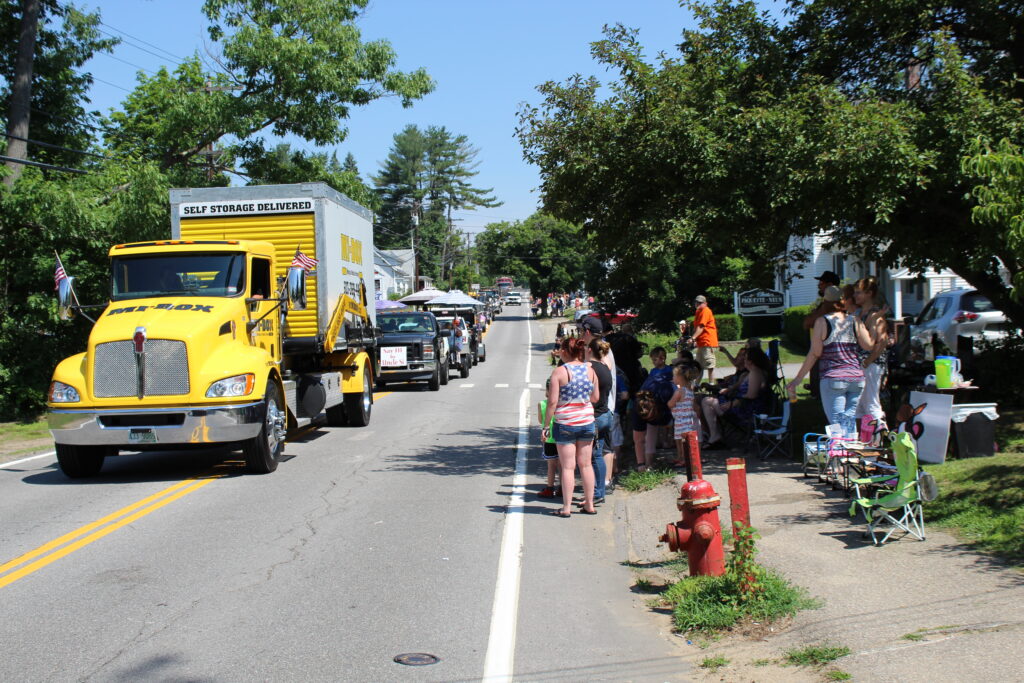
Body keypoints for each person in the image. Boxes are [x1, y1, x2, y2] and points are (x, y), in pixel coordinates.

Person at [786, 285, 876, 440]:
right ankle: (850, 457)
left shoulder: (822, 322)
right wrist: (874, 324)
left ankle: (839, 458)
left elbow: (816, 353)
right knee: (848, 421)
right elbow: (868, 345)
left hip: (833, 378)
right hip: (856, 378)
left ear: (825, 302)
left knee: (836, 423)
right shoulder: (855, 320)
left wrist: (798, 379)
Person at [542, 337, 599, 517]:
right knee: (586, 464)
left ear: (565, 351)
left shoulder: (559, 372)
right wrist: (580, 402)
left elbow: (552, 402)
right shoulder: (591, 371)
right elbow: (596, 398)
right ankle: (589, 504)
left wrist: (546, 426)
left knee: (567, 467)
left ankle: (566, 508)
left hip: (565, 423)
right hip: (586, 422)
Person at [700, 346, 772, 449]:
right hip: (741, 405)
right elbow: (737, 388)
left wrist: (733, 403)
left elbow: (751, 396)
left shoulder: (755, 373)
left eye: (745, 358)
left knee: (707, 401)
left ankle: (715, 435)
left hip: (747, 411)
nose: (744, 360)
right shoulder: (751, 373)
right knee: (708, 400)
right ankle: (715, 435)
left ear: (750, 361)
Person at [581, 315, 618, 498]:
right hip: (606, 407)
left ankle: (599, 487)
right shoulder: (603, 349)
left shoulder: (598, 354)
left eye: (582, 331)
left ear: (587, 332)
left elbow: (598, 386)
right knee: (600, 450)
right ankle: (600, 487)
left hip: (601, 408)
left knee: (597, 452)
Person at [853, 276, 889, 431]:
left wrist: (869, 360)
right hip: (860, 363)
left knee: (871, 403)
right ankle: (864, 441)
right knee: (859, 405)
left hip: (872, 364)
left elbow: (882, 341)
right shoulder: (860, 313)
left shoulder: (876, 314)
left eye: (858, 293)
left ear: (869, 293)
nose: (855, 296)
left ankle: (881, 437)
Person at [631, 346, 674, 470]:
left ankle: (648, 462)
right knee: (648, 435)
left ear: (663, 358)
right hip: (648, 403)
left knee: (652, 433)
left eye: (657, 359)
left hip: (657, 404)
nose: (655, 362)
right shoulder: (653, 372)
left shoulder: (668, 372)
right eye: (653, 360)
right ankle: (645, 464)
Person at [803, 271, 841, 399]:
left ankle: (819, 395)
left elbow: (808, 323)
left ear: (829, 284)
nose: (819, 285)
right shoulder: (828, 303)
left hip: (825, 349)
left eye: (821, 282)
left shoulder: (829, 305)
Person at [587, 337, 614, 505]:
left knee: (593, 456)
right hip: (605, 414)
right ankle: (600, 490)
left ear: (589, 350)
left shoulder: (590, 369)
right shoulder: (605, 367)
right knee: (600, 452)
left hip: (595, 416)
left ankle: (597, 493)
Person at [668, 362, 701, 471]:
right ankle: (682, 457)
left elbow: (670, 404)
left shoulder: (679, 391)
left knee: (680, 440)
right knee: (681, 439)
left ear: (679, 378)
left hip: (680, 420)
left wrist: (669, 403)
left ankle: (682, 458)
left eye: (674, 376)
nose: (673, 378)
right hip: (688, 420)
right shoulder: (690, 389)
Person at [537, 379, 561, 498]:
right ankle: (562, 488)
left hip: (549, 438)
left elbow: (541, 421)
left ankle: (550, 488)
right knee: (563, 465)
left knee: (551, 465)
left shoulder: (542, 404)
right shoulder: (562, 403)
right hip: (562, 437)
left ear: (547, 391)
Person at [690, 295, 719, 384]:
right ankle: (696, 385)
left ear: (705, 303)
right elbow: (696, 327)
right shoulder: (698, 312)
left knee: (710, 365)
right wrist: (695, 339)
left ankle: (711, 385)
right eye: (696, 302)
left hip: (707, 341)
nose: (697, 304)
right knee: (699, 366)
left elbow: (701, 327)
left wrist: (693, 338)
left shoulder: (706, 311)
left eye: (700, 302)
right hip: (701, 342)